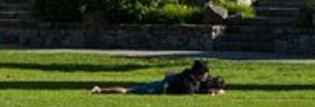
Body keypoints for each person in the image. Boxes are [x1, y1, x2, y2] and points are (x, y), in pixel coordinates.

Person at [90, 59, 224, 95]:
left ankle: (100, 90)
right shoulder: (188, 80)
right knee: (129, 91)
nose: (207, 77)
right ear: (198, 73)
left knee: (130, 90)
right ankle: (100, 90)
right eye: (205, 74)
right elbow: (190, 92)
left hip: (163, 84)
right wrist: (207, 93)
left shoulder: (196, 78)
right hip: (160, 88)